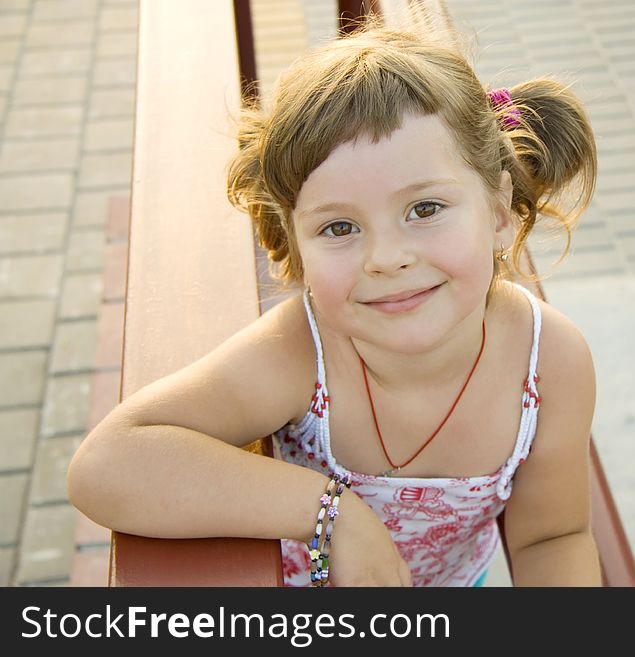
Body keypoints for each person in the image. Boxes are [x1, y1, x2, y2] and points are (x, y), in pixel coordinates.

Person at [67, 17, 600, 587]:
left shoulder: (548, 363)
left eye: (424, 210)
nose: (386, 257)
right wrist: (330, 512)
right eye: (340, 226)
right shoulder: (304, 353)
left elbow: (553, 536)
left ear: (498, 211)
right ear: (293, 242)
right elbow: (108, 465)